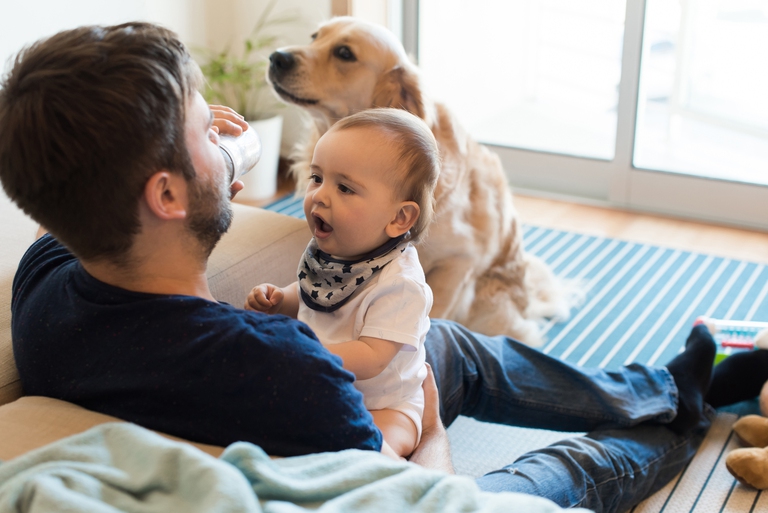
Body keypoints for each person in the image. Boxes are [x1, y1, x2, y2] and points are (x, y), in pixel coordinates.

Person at [2, 22, 768, 513]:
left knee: (450, 342)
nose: (231, 137)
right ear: (166, 192)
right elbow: (407, 492)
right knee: (573, 462)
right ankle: (683, 411)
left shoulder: (40, 284)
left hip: (291, 332)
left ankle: (663, 380)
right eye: (210, 128)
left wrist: (199, 161)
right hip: (383, 425)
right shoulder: (288, 368)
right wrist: (429, 424)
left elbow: (65, 206)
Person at [245, 109, 438, 459]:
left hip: (384, 403)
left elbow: (372, 356)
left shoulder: (401, 283)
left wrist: (304, 352)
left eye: (345, 187)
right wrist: (280, 299)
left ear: (399, 218)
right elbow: (312, 295)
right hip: (323, 385)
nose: (320, 195)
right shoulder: (331, 250)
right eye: (316, 178)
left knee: (375, 451)